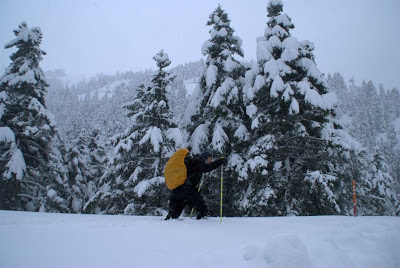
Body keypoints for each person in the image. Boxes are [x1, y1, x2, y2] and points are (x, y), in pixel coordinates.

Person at [165, 150, 226, 220]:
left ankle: (168, 223)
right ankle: (200, 223)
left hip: (177, 188)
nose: (211, 161)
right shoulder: (198, 162)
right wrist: (219, 162)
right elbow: (206, 168)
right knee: (203, 210)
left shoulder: (192, 162)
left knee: (173, 214)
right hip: (188, 189)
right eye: (210, 158)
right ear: (205, 158)